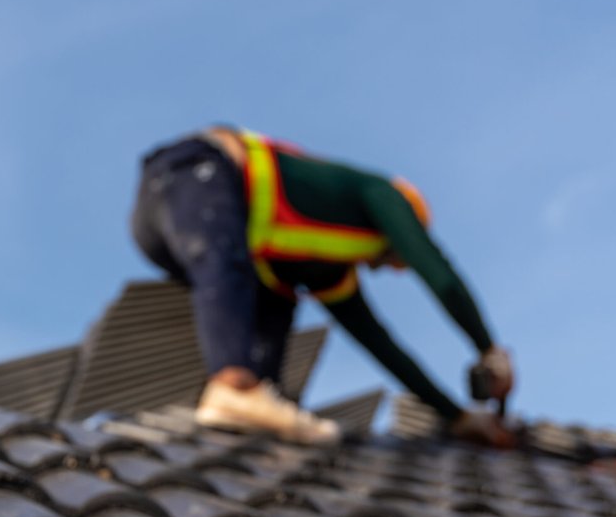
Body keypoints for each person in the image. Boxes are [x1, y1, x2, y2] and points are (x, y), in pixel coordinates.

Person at [129, 125, 513, 446]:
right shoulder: (385, 195)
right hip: (191, 174)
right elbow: (438, 274)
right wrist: (488, 349)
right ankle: (235, 386)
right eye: (393, 257)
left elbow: (380, 343)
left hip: (171, 224)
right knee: (228, 265)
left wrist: (457, 417)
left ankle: (259, 398)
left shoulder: (324, 268)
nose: (385, 268)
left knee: (275, 296)